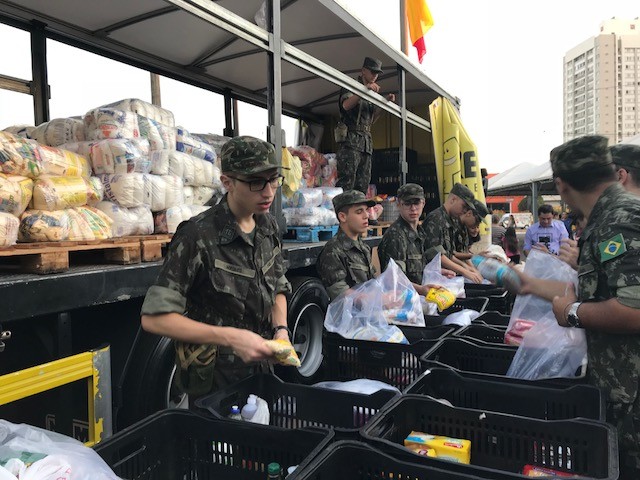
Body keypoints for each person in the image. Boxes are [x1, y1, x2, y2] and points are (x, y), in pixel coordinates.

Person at [517, 135, 640, 477]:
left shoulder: (619, 219)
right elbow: (597, 290)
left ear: (561, 184)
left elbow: (634, 309)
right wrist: (526, 283)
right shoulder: (610, 216)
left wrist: (572, 315)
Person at [140, 136, 291, 404]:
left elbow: (278, 283)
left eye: (274, 179)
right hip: (215, 384)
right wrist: (231, 338)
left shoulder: (267, 226)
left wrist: (281, 330)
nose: (268, 192)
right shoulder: (197, 235)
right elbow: (154, 319)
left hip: (261, 374)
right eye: (256, 181)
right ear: (227, 182)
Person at [377, 183, 454, 296]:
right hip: (402, 301)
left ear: (423, 203)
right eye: (407, 204)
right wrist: (421, 290)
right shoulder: (396, 236)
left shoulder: (419, 231)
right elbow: (394, 280)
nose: (413, 208)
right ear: (398, 205)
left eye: (416, 203)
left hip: (418, 297)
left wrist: (437, 273)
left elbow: (418, 268)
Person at [335, 57, 396, 193]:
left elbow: (372, 119)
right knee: (347, 181)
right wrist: (364, 90)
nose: (375, 76)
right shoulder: (350, 85)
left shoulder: (372, 92)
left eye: (377, 73)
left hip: (366, 142)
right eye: (372, 72)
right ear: (363, 71)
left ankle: (358, 211)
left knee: (363, 182)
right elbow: (346, 105)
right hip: (351, 140)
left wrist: (385, 103)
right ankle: (344, 212)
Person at [316, 190, 377, 301]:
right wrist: (377, 299)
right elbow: (341, 294)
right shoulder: (333, 251)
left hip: (368, 314)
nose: (366, 216)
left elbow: (372, 285)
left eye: (366, 210)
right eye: (359, 212)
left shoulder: (364, 248)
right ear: (343, 217)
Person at [422, 183, 483, 283]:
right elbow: (436, 255)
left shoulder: (450, 219)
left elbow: (449, 253)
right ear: (453, 199)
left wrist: (467, 268)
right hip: (433, 278)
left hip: (446, 277)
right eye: (464, 206)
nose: (464, 211)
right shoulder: (436, 218)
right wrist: (464, 271)